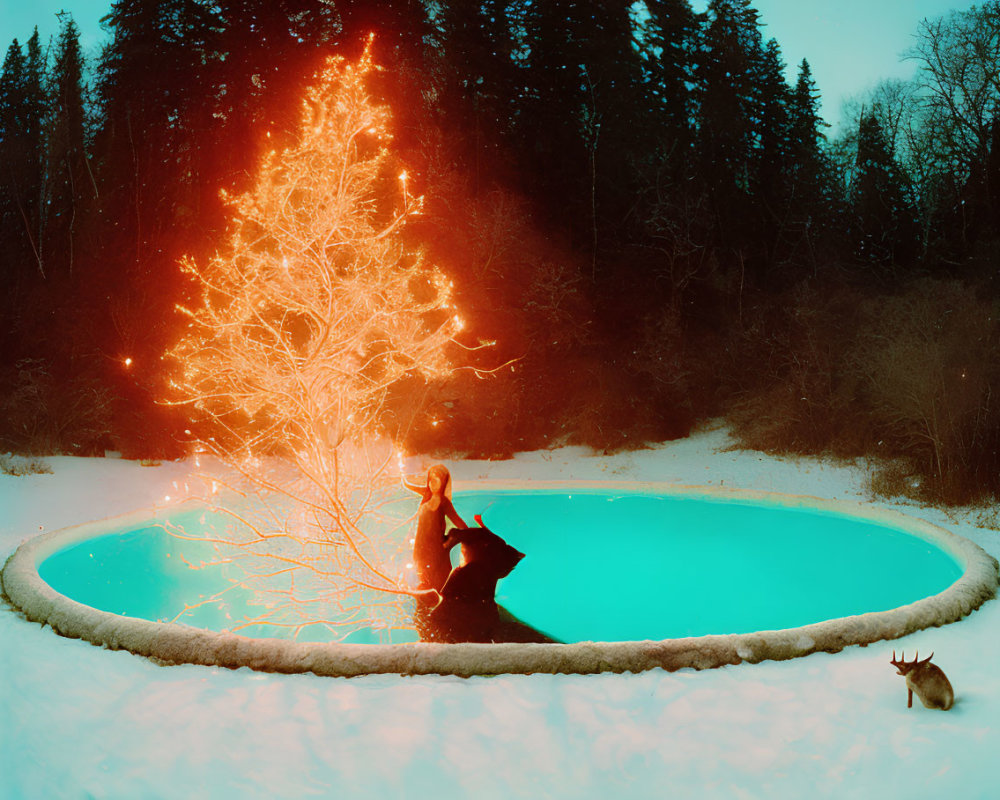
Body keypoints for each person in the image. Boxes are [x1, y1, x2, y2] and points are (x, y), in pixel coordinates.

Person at [403, 464, 467, 593]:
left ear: (442, 482)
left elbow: (457, 520)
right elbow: (407, 485)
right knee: (422, 576)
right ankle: (426, 602)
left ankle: (436, 599)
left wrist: (471, 532)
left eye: (436, 480)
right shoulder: (426, 493)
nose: (433, 484)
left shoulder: (443, 502)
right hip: (420, 546)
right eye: (431, 480)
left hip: (434, 548)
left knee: (435, 580)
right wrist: (402, 471)